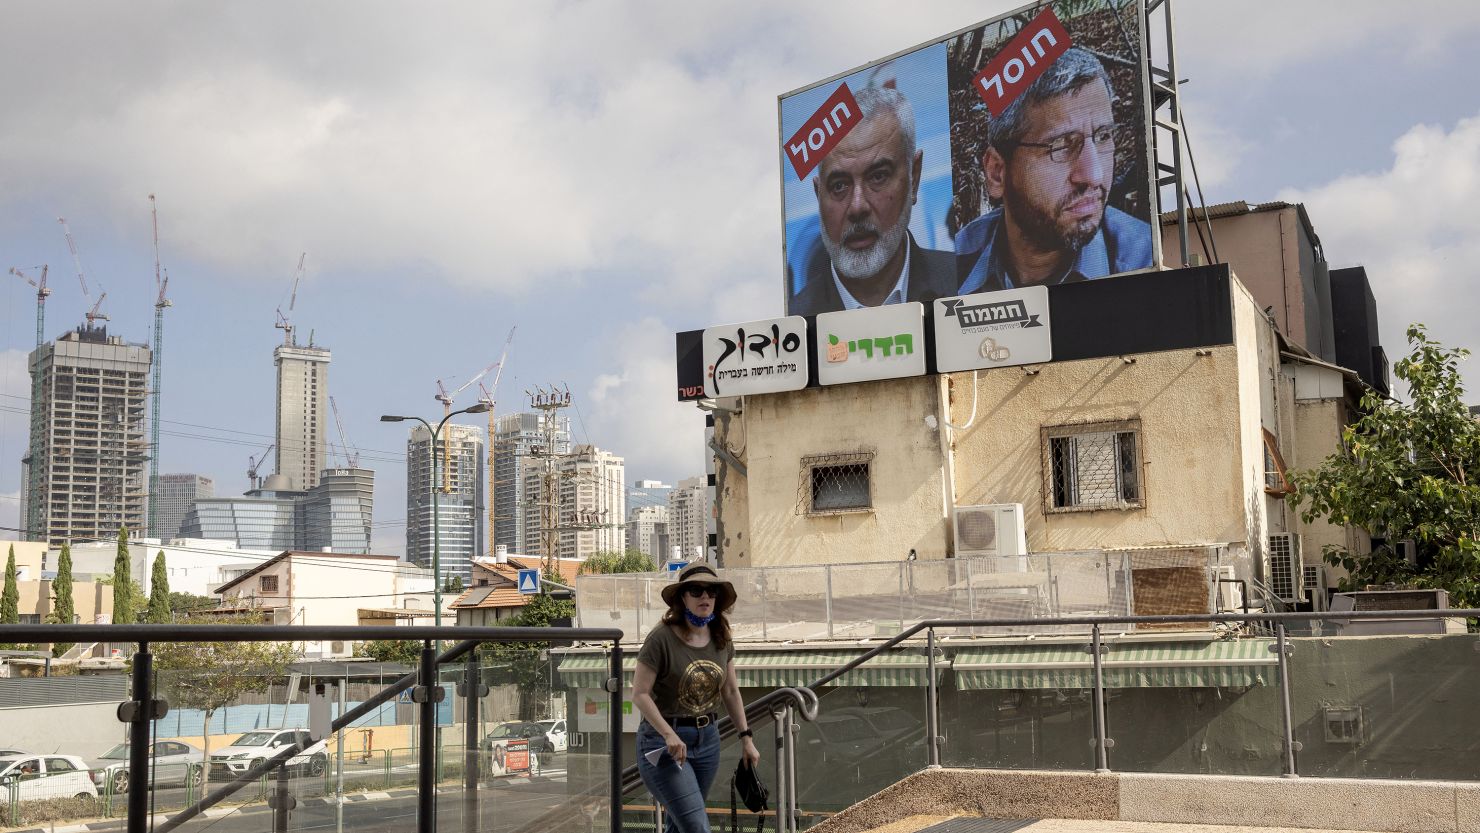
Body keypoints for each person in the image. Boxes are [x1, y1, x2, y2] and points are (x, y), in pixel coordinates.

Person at [954, 47, 1153, 293]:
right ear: (997, 172)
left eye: (1103, 136)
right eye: (1060, 146)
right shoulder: (953, 265)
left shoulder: (1146, 264)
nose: (1094, 175)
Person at [789, 85, 960, 316]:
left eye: (878, 177)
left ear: (914, 177)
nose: (857, 206)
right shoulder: (794, 323)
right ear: (819, 196)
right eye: (839, 186)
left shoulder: (968, 287)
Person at [633, 564, 760, 833]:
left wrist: (746, 739)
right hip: (664, 744)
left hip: (707, 741)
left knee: (681, 826)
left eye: (711, 592)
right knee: (696, 826)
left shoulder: (721, 637)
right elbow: (640, 694)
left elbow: (730, 691)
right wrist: (668, 735)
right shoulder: (661, 639)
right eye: (696, 590)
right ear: (682, 598)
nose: (705, 597)